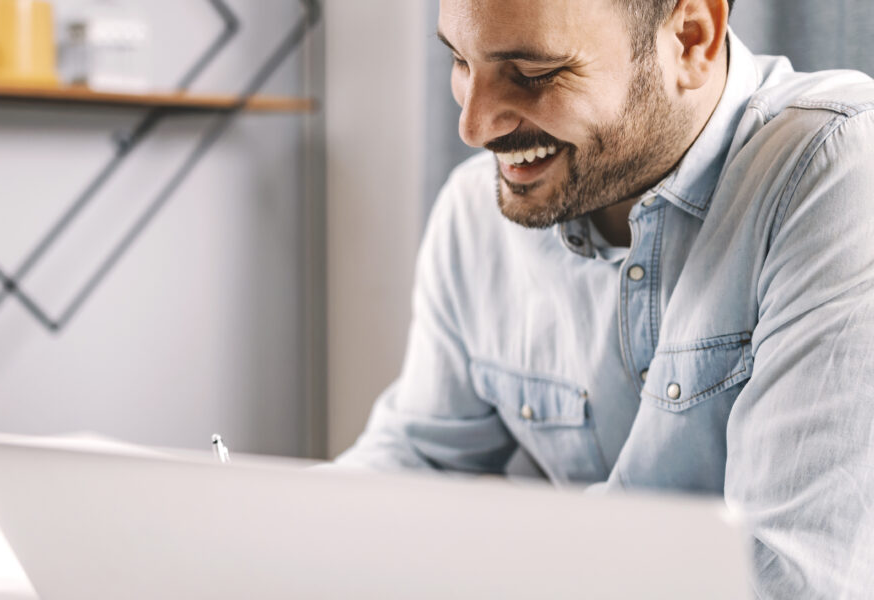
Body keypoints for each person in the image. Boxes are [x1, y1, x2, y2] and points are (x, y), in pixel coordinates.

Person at [334, 0, 874, 596]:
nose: (473, 125)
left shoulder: (837, 169)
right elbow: (412, 469)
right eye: (461, 61)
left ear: (691, 39)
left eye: (533, 73)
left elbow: (790, 578)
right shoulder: (475, 213)